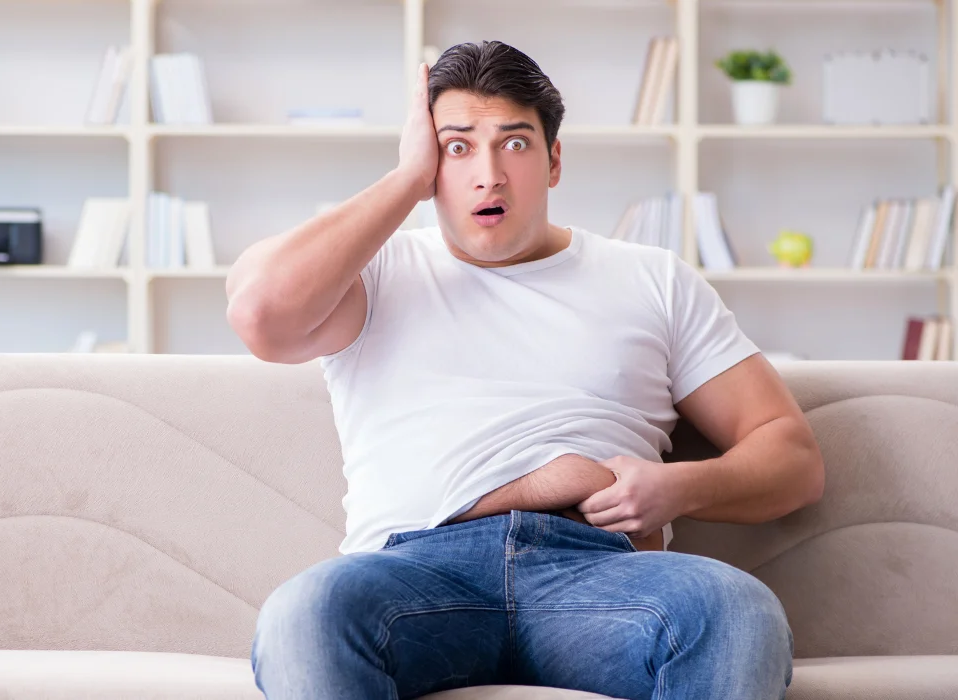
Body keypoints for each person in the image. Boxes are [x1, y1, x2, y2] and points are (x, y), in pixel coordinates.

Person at [225, 40, 825, 700]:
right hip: (414, 574)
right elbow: (259, 313)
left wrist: (676, 488)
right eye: (458, 148)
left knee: (735, 612)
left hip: (600, 576)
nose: (489, 174)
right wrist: (403, 180)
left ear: (554, 160)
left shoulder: (652, 280)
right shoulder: (374, 273)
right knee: (302, 616)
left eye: (513, 143)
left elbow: (793, 459)